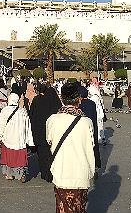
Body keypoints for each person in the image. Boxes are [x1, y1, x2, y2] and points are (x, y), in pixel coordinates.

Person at [47, 82, 95, 213]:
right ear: (79, 100)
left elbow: (50, 142)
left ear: (61, 98)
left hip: (62, 173)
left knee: (63, 209)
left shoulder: (52, 120)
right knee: (79, 208)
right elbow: (91, 145)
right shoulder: (87, 122)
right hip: (81, 174)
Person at [0, 93, 34, 182]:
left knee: (8, 158)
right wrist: (30, 140)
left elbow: (1, 125)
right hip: (20, 139)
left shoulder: (5, 110)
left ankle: (9, 175)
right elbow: (27, 126)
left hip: (8, 138)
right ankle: (21, 173)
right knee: (20, 158)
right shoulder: (23, 111)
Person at [29, 83, 63, 182]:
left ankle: (45, 173)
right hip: (51, 133)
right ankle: (51, 173)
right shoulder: (52, 101)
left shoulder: (36, 100)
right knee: (51, 154)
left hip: (39, 132)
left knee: (42, 155)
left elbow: (32, 115)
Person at [80, 86, 102, 175]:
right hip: (92, 128)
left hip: (83, 130)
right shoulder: (92, 103)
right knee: (93, 148)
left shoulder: (80, 104)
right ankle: (95, 166)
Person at [87, 79, 105, 146]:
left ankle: (98, 139)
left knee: (96, 127)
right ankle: (102, 138)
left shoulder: (93, 98)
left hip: (97, 114)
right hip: (100, 114)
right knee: (101, 127)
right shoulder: (98, 96)